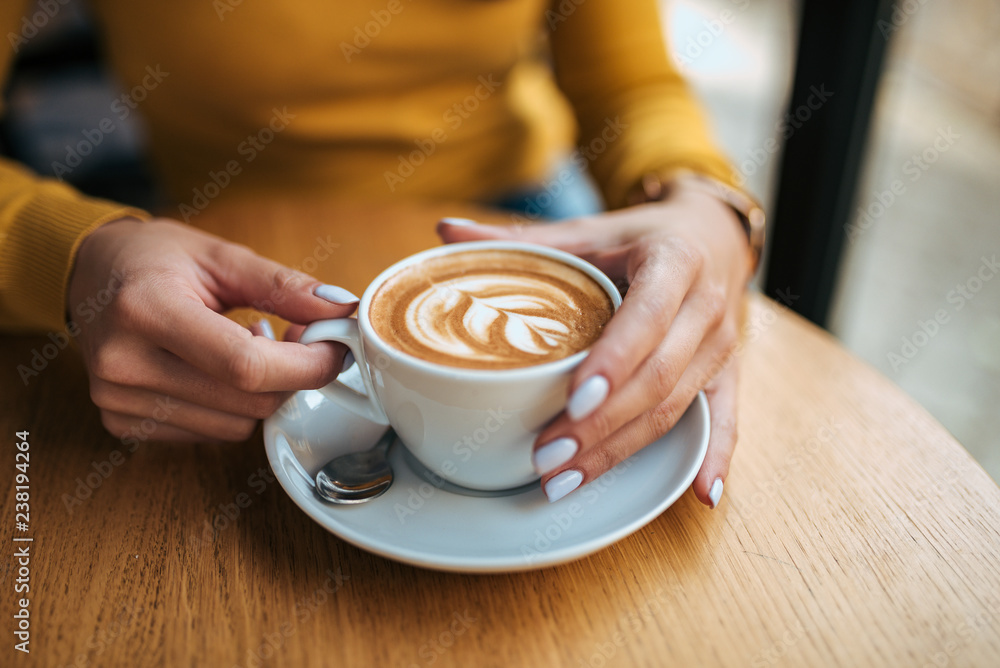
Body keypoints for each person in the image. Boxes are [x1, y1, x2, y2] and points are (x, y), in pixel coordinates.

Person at [1, 0, 759, 507]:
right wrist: (75, 257)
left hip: (521, 215)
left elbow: (631, 86)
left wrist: (704, 209)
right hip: (227, 248)